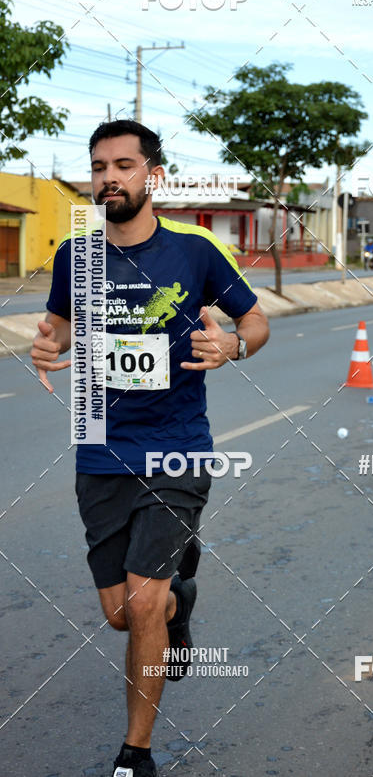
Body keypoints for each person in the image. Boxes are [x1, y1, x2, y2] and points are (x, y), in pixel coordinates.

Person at [30, 120, 270, 777]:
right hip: (100, 451)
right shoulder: (75, 258)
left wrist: (234, 346)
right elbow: (61, 331)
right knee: (122, 614)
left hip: (177, 451)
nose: (110, 176)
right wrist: (48, 346)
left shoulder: (194, 254)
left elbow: (254, 320)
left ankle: (136, 753)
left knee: (139, 603)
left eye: (125, 165)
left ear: (152, 176)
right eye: (100, 165)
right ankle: (177, 604)